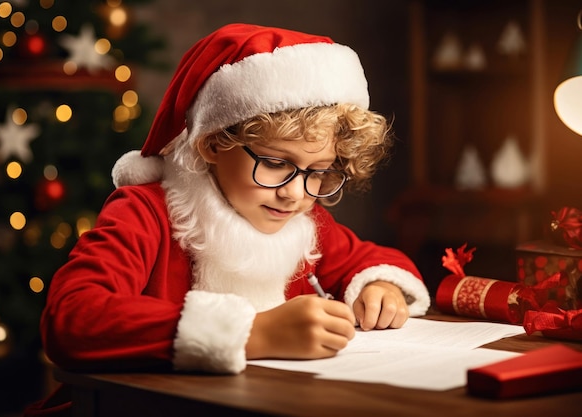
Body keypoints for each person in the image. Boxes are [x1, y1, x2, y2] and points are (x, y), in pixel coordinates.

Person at [40, 22, 430, 382]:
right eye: (277, 163)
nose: (295, 193)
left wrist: (381, 286)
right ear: (213, 143)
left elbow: (373, 259)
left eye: (318, 171)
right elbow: (73, 317)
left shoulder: (306, 225)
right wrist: (250, 333)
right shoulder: (145, 212)